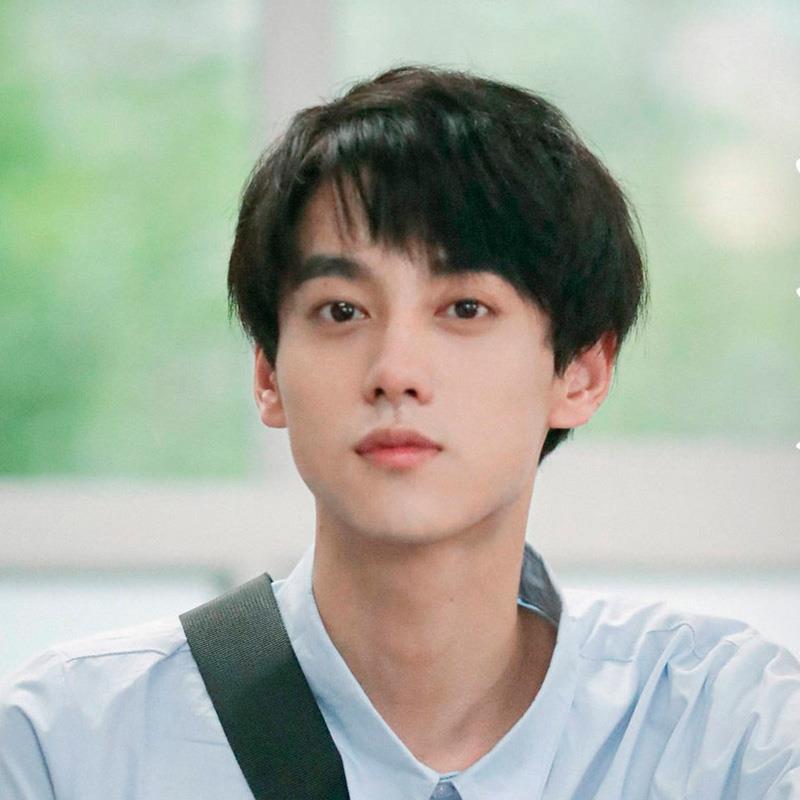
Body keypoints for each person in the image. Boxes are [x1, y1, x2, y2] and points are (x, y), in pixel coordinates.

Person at [1, 65, 798, 799]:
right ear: (269, 374)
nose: (395, 371)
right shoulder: (72, 743)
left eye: (465, 308)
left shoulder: (724, 730)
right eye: (341, 311)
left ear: (580, 374)